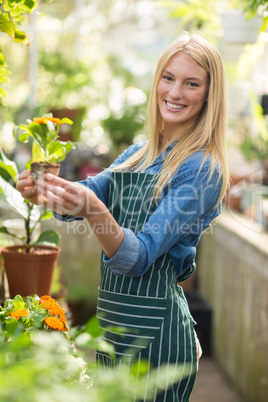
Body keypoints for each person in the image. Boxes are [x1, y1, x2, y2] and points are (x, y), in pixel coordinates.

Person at [17, 32, 228, 401]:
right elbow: (88, 196)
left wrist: (94, 211)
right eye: (168, 78)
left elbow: (138, 257)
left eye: (191, 83)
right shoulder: (138, 154)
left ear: (209, 94)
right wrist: (49, 192)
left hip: (158, 339)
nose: (175, 92)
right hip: (114, 330)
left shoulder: (202, 170)